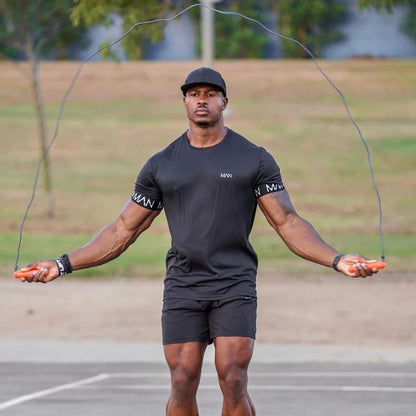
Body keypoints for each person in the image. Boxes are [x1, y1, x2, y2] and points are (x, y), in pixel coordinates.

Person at [18, 67, 382, 416]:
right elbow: (121, 231)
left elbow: (287, 221)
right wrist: (61, 264)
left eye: (210, 94)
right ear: (185, 103)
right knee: (181, 380)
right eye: (194, 94)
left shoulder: (253, 159)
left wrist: (337, 259)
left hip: (234, 282)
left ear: (225, 102)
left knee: (233, 376)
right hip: (183, 285)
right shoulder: (162, 165)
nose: (202, 100)